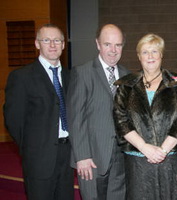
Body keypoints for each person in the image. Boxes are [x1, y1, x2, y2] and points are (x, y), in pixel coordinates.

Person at [113, 33, 177, 200]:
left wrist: (162, 151)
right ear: (139, 56)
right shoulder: (126, 85)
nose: (150, 56)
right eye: (145, 52)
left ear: (161, 54)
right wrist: (144, 147)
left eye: (154, 51)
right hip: (137, 159)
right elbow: (120, 120)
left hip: (168, 158)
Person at [3, 24, 74, 200]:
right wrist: (31, 149)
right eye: (46, 40)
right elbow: (13, 120)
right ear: (37, 44)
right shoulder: (21, 77)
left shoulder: (71, 76)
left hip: (68, 154)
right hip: (38, 157)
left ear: (63, 45)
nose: (52, 45)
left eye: (57, 40)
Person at [67, 24, 129, 200]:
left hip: (121, 158)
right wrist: (82, 156)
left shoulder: (127, 75)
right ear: (97, 44)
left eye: (118, 45)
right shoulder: (83, 72)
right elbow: (76, 118)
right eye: (107, 44)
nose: (113, 50)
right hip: (92, 159)